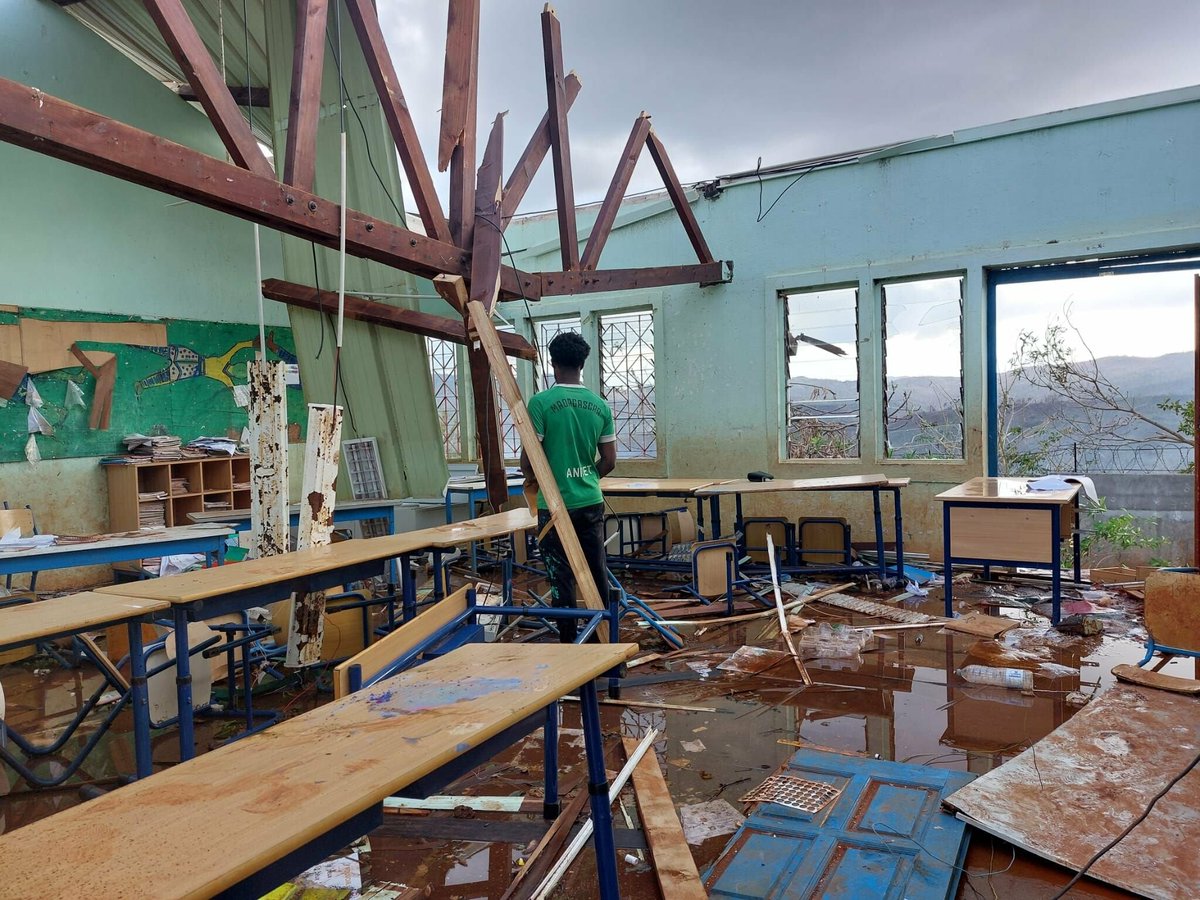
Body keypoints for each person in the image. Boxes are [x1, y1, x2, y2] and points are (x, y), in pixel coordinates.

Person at [520, 332, 617, 642]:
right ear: (582, 364)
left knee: (560, 575)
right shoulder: (600, 405)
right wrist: (585, 478)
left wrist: (546, 479)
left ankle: (567, 644)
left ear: (552, 363)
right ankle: (602, 639)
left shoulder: (541, 403)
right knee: (595, 570)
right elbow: (609, 461)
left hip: (554, 505)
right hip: (590, 501)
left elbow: (528, 462)